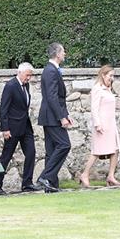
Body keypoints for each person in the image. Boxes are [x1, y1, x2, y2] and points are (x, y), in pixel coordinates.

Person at [0, 62, 37, 195]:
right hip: (12, 127)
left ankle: (27, 183)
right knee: (5, 157)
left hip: (25, 126)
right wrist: (5, 128)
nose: (29, 78)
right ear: (20, 72)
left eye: (30, 76)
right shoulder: (11, 85)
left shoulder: (26, 85)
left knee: (31, 153)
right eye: (27, 75)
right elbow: (4, 108)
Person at [36, 42, 72, 193]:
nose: (65, 54)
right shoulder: (50, 70)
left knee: (51, 151)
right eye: (63, 51)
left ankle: (51, 185)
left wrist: (66, 115)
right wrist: (61, 117)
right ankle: (45, 177)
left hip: (51, 116)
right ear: (57, 54)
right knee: (64, 145)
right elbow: (52, 97)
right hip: (52, 117)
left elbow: (57, 97)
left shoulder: (52, 70)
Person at [79, 65, 120, 188]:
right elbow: (94, 108)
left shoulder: (108, 89)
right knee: (97, 151)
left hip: (111, 124)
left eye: (113, 76)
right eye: (110, 76)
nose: (112, 78)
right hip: (102, 125)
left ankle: (111, 176)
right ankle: (85, 174)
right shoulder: (97, 89)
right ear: (103, 75)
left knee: (115, 149)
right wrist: (97, 124)